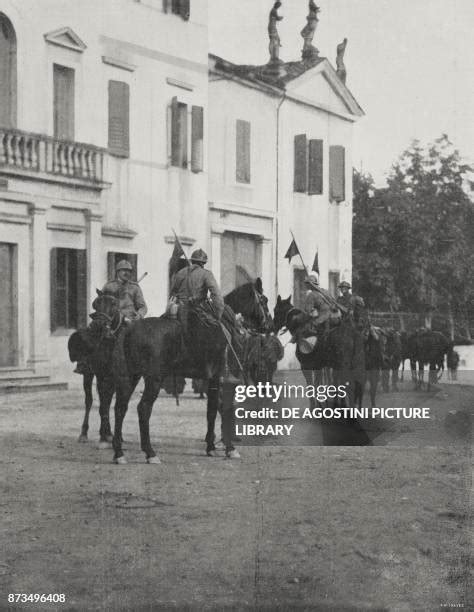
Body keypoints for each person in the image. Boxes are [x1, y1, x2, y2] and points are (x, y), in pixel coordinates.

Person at [74, 260, 147, 374]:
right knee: (90, 332)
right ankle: (84, 363)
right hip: (110, 317)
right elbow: (99, 302)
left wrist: (138, 316)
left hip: (128, 319)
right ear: (117, 272)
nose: (126, 273)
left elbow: (143, 307)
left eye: (129, 271)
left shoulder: (135, 288)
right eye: (124, 271)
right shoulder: (109, 286)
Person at [170, 248, 224, 335]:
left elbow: (173, 292)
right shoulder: (206, 274)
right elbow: (216, 295)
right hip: (196, 310)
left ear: (192, 261)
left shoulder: (180, 273)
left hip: (178, 310)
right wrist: (218, 314)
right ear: (203, 263)